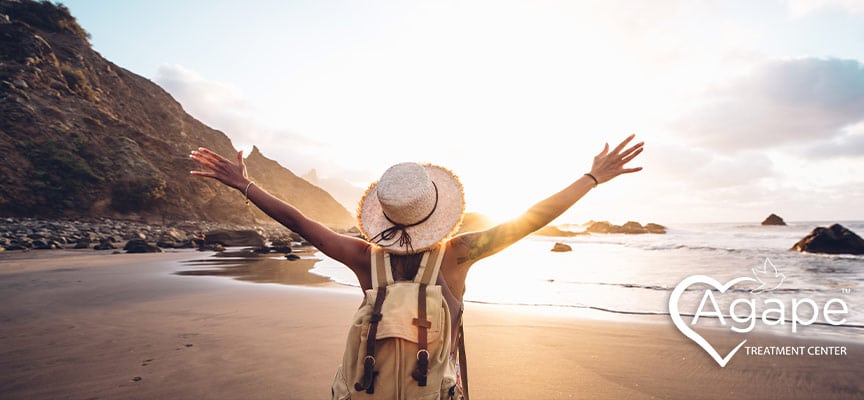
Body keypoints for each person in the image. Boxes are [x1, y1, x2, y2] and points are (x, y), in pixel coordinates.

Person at [189, 134, 643, 398]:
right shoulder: (459, 254)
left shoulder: (364, 257)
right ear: (439, 210)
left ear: (384, 216)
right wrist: (592, 178)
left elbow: (299, 222)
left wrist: (245, 186)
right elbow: (530, 219)